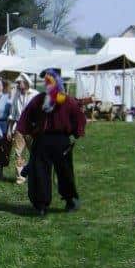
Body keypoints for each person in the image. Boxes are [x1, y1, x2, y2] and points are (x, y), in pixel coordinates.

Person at [16, 68, 86, 215]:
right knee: (40, 172)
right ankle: (41, 205)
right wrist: (29, 130)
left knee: (65, 171)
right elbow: (27, 115)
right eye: (46, 80)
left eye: (50, 79)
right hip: (43, 140)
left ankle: (69, 200)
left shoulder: (66, 100)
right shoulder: (40, 99)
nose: (48, 83)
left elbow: (78, 116)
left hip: (61, 140)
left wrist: (76, 132)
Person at [8, 74, 38, 184]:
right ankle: (20, 176)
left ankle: (35, 173)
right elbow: (13, 113)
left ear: (26, 82)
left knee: (35, 152)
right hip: (19, 127)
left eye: (19, 82)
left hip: (32, 128)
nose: (18, 85)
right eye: (18, 83)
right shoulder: (16, 95)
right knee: (18, 153)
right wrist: (9, 130)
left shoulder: (35, 94)